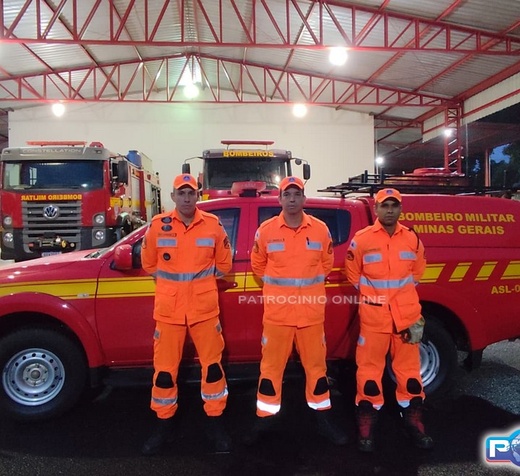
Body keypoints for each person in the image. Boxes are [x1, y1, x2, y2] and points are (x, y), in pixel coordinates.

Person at [246, 176, 347, 446]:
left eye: (296, 194)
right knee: (270, 370)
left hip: (310, 316)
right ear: (279, 199)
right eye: (287, 194)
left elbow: (326, 264)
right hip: (278, 316)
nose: (292, 199)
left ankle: (324, 421)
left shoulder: (320, 230)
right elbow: (258, 265)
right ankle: (265, 421)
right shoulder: (266, 231)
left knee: (317, 370)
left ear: (304, 198)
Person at [140, 173, 233, 455]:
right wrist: (176, 288)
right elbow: (148, 264)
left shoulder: (213, 225)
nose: (186, 198)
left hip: (204, 310)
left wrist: (197, 286)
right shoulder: (158, 226)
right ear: (173, 197)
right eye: (181, 193)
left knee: (213, 369)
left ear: (197, 196)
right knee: (164, 372)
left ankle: (216, 422)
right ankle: (163, 424)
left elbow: (224, 265)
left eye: (191, 193)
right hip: (169, 312)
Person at [345, 187, 434, 452]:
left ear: (401, 209)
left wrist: (399, 300)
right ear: (376, 209)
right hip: (375, 318)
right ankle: (367, 421)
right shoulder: (362, 239)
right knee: (369, 372)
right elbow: (353, 274)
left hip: (408, 317)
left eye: (394, 205)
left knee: (410, 373)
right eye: (385, 205)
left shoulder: (412, 239)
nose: (390, 210)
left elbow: (417, 272)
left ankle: (413, 419)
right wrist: (376, 298)